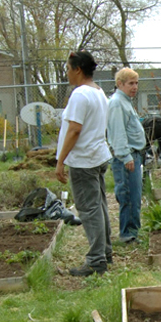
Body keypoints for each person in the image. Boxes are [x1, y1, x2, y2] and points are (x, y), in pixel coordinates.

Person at [55, 50, 113, 277]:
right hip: (97, 156)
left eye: (68, 69)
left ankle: (96, 260)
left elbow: (75, 129)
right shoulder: (99, 93)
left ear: (78, 69)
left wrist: (60, 161)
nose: (67, 74)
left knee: (89, 210)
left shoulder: (80, 95)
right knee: (99, 207)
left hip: (84, 161)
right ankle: (105, 254)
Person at [106, 67, 145, 243]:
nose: (135, 87)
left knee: (135, 196)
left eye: (136, 83)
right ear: (120, 84)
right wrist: (125, 155)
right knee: (128, 196)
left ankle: (133, 231)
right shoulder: (117, 103)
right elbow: (117, 133)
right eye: (131, 83)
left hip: (134, 155)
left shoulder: (126, 101)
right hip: (126, 158)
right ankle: (127, 234)